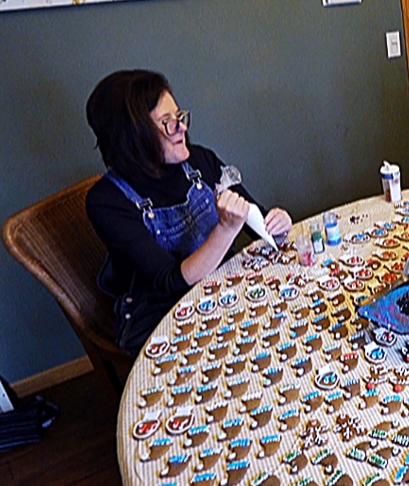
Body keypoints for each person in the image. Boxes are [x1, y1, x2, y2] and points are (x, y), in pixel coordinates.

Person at [85, 69, 292, 355]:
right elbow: (172, 281)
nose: (181, 128)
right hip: (159, 317)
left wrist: (277, 222)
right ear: (132, 138)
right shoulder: (106, 201)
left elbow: (254, 216)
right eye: (166, 123)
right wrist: (225, 229)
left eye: (179, 116)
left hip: (220, 290)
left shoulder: (200, 160)